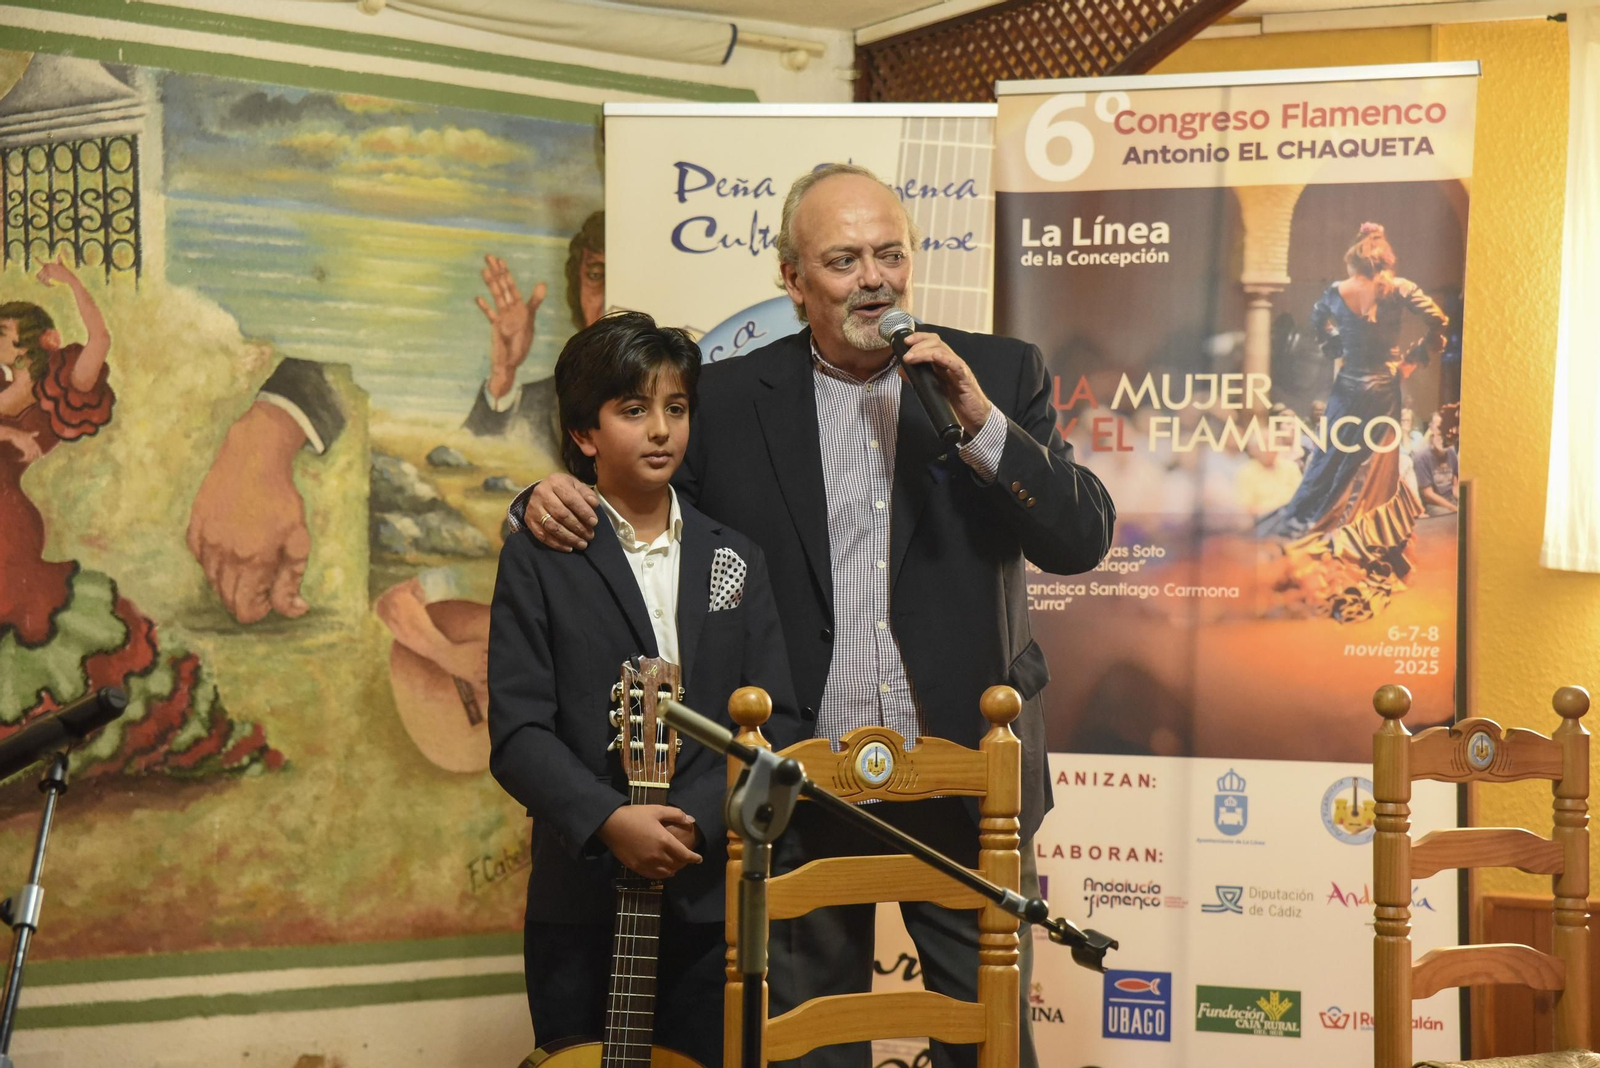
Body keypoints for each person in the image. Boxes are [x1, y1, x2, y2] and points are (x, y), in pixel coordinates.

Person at [513, 164, 1116, 1068]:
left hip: (964, 786)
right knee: (806, 1051)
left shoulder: (993, 373)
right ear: (793, 282)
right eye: (842, 260)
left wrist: (981, 422)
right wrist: (541, 495)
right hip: (798, 784)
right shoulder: (726, 399)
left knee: (988, 1048)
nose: (874, 277)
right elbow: (645, 506)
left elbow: (1080, 538)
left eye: (889, 254)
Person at [487, 311, 800, 1068]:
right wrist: (608, 822)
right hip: (581, 900)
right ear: (585, 435)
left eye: (676, 408)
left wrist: (695, 821)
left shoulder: (737, 557)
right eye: (633, 410)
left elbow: (777, 721)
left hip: (707, 899)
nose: (660, 430)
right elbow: (519, 733)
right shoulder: (541, 557)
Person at [2, 256, 279, 783]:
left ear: (41, 367)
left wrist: (72, 283)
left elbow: (100, 342)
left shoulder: (45, 411)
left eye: (2, 372)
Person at [1258, 223, 1447, 540]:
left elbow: (1318, 319)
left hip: (1347, 383)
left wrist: (1335, 348)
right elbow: (1439, 320)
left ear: (1354, 256)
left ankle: (1315, 521)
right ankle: (1363, 533)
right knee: (1374, 464)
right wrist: (1415, 359)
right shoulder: (1401, 287)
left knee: (1330, 455)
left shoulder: (1336, 290)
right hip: (1385, 385)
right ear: (1385, 256)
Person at [463, 211, 605, 450]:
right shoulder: (536, 402)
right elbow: (473, 459)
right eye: (595, 275)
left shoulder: (682, 394)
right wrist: (503, 376)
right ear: (578, 287)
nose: (607, 299)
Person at [1411, 422, 1459, 516]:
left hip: (1451, 499)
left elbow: (1455, 485)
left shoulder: (1451, 453)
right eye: (1440, 436)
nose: (1444, 440)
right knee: (1450, 518)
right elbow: (1428, 494)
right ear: (1432, 437)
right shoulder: (1421, 458)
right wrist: (1453, 508)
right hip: (1434, 505)